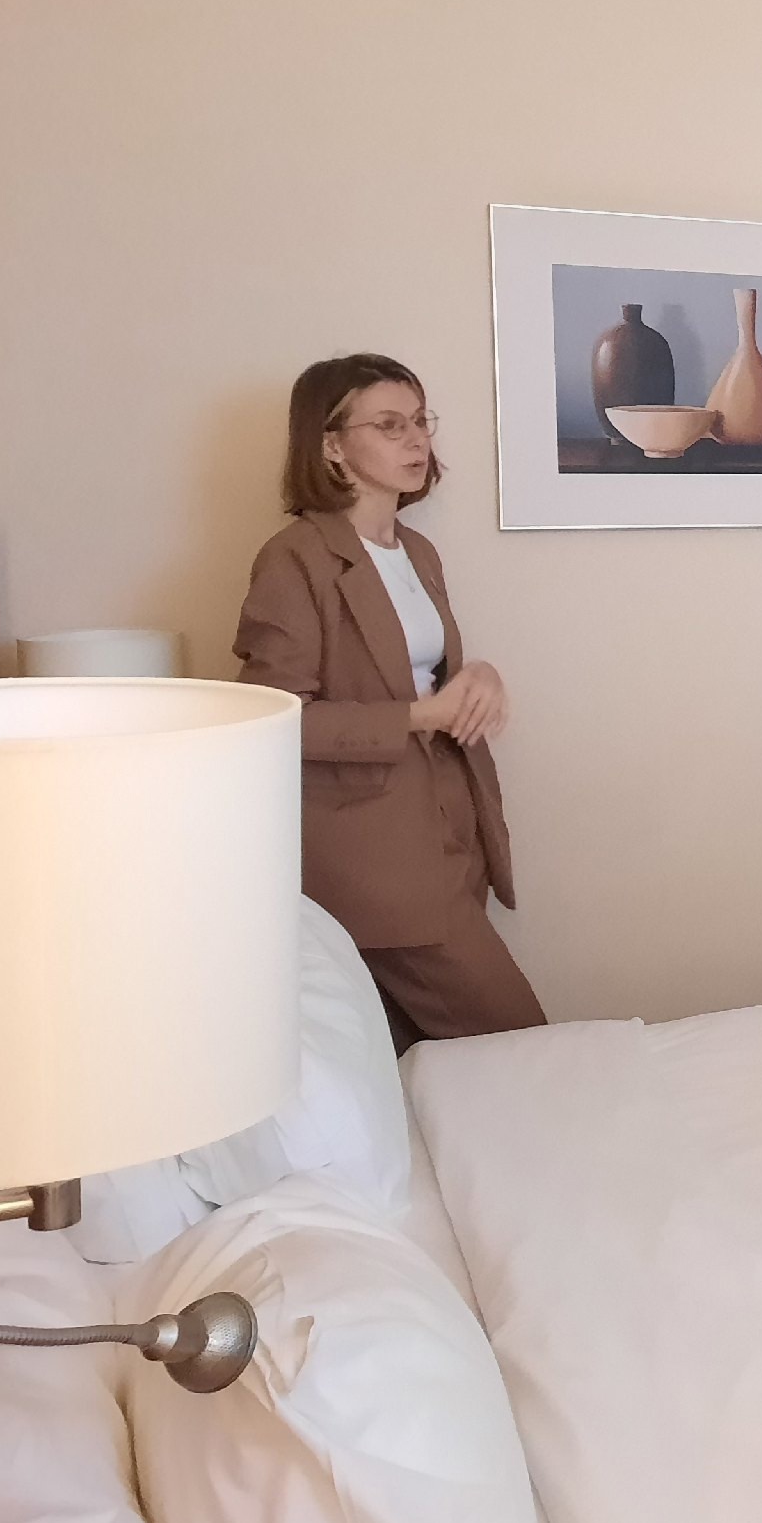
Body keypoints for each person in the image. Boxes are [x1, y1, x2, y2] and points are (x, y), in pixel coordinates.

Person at [235, 354, 542, 1052]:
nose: (416, 440)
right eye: (390, 425)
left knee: (420, 1061)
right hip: (370, 851)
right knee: (518, 1046)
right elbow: (273, 717)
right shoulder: (296, 558)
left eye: (421, 421)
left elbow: (423, 675)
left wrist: (480, 676)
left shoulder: (416, 552)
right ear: (331, 445)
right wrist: (420, 716)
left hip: (448, 819)